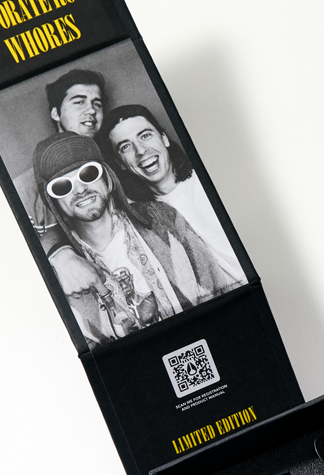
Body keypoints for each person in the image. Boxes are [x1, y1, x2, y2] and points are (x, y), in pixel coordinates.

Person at [35, 135, 239, 345]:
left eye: (88, 174)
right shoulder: (61, 273)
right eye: (62, 187)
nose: (80, 190)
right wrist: (59, 257)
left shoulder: (162, 218)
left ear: (107, 179)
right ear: (52, 201)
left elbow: (217, 288)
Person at [96, 105, 245, 285]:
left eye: (145, 136)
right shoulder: (138, 217)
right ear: (120, 163)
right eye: (125, 146)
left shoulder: (211, 176)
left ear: (164, 138)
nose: (140, 150)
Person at [12, 68, 109, 301]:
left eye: (97, 104)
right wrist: (59, 254)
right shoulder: (24, 188)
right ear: (56, 113)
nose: (91, 110)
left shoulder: (114, 170)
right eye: (79, 102)